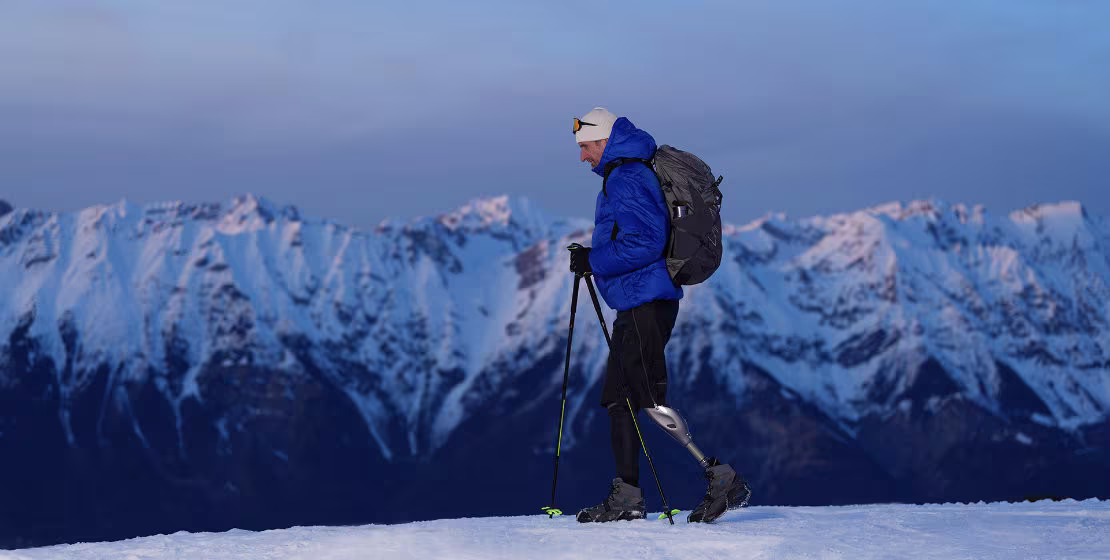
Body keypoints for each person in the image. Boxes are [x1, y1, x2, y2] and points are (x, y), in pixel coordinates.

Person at [568, 107, 750, 523]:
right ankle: (627, 497)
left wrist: (594, 260)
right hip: (638, 300)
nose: (582, 157)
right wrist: (594, 258)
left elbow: (646, 242)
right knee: (621, 398)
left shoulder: (627, 176)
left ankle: (721, 477)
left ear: (603, 141)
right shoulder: (628, 172)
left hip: (645, 300)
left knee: (644, 397)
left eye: (585, 147)